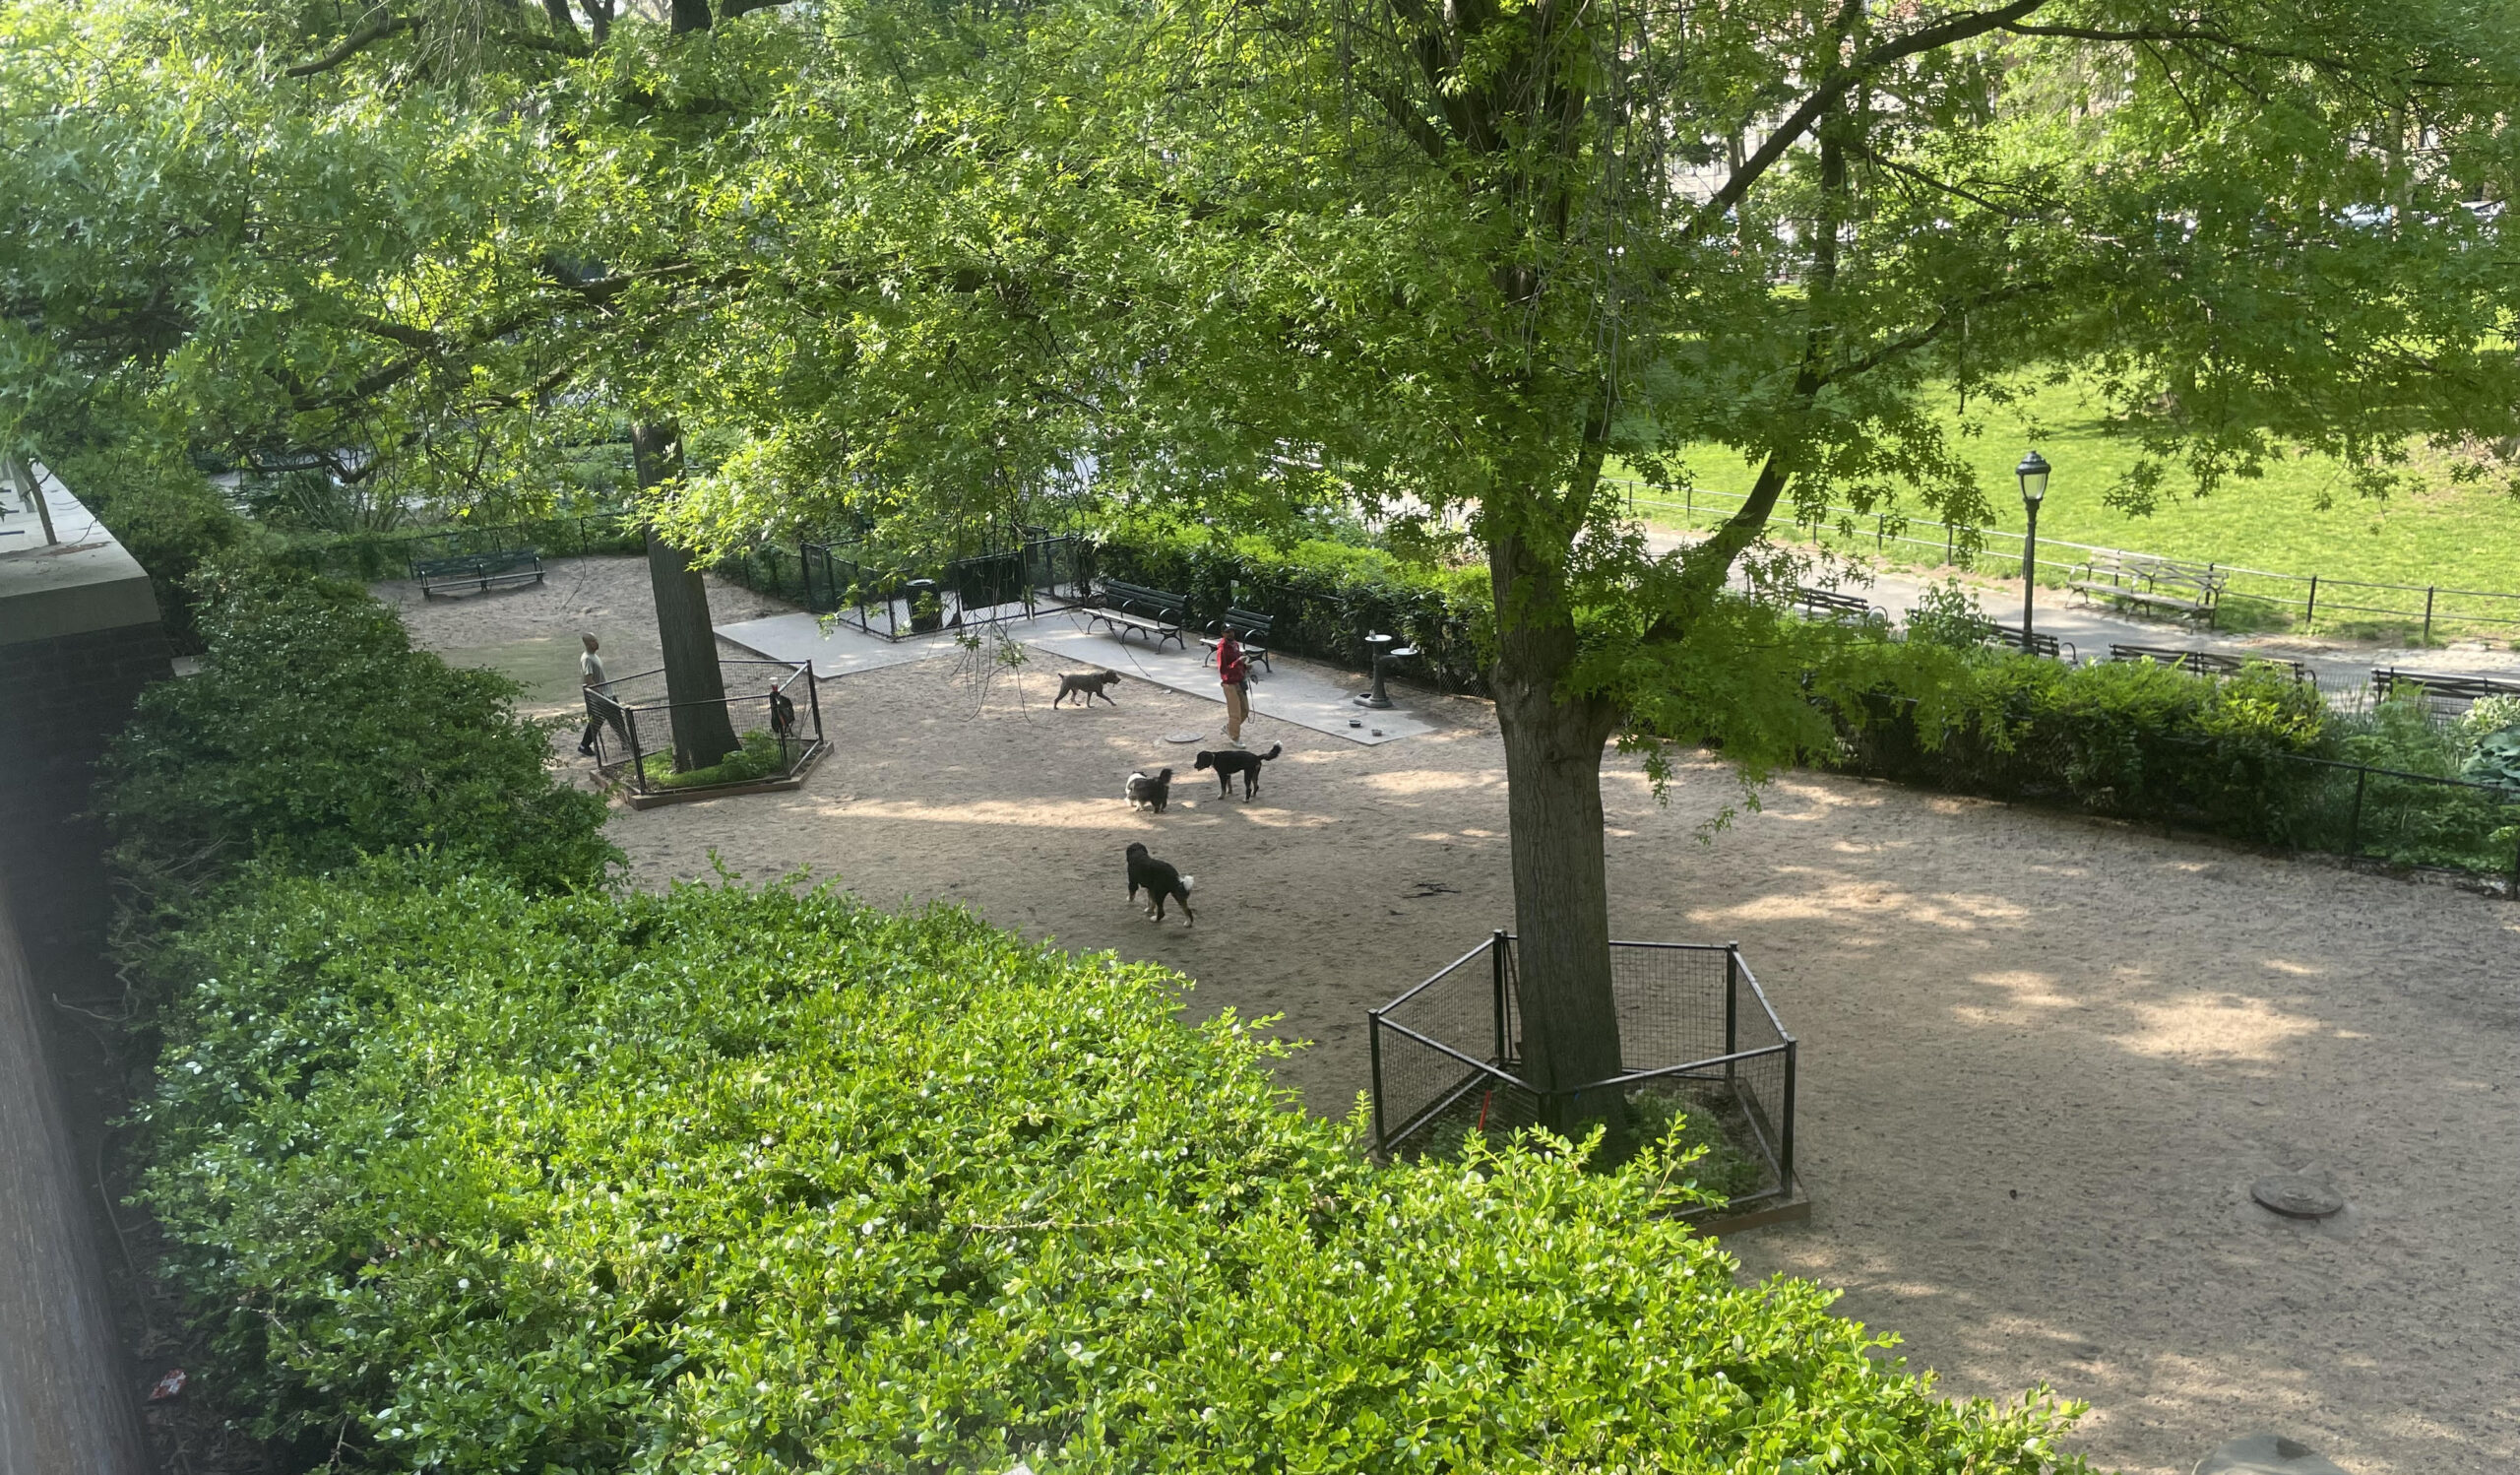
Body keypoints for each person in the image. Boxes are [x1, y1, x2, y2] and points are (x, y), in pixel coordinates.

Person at [578, 632, 626, 757]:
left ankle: (584, 745)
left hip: (606, 695)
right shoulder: (587, 659)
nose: (597, 643)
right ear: (588, 644)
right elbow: (588, 680)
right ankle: (626, 744)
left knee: (604, 721)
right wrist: (601, 695)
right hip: (602, 697)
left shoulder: (593, 656)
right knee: (611, 720)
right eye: (594, 641)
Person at [1216, 625, 1250, 747]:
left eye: (1232, 631)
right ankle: (1235, 737)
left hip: (1239, 681)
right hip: (1229, 683)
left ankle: (1229, 728)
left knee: (1245, 710)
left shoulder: (1235, 644)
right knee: (1235, 713)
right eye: (1227, 632)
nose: (1230, 634)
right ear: (1222, 634)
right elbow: (1223, 670)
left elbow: (1237, 661)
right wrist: (1238, 662)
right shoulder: (1222, 649)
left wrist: (1245, 666)